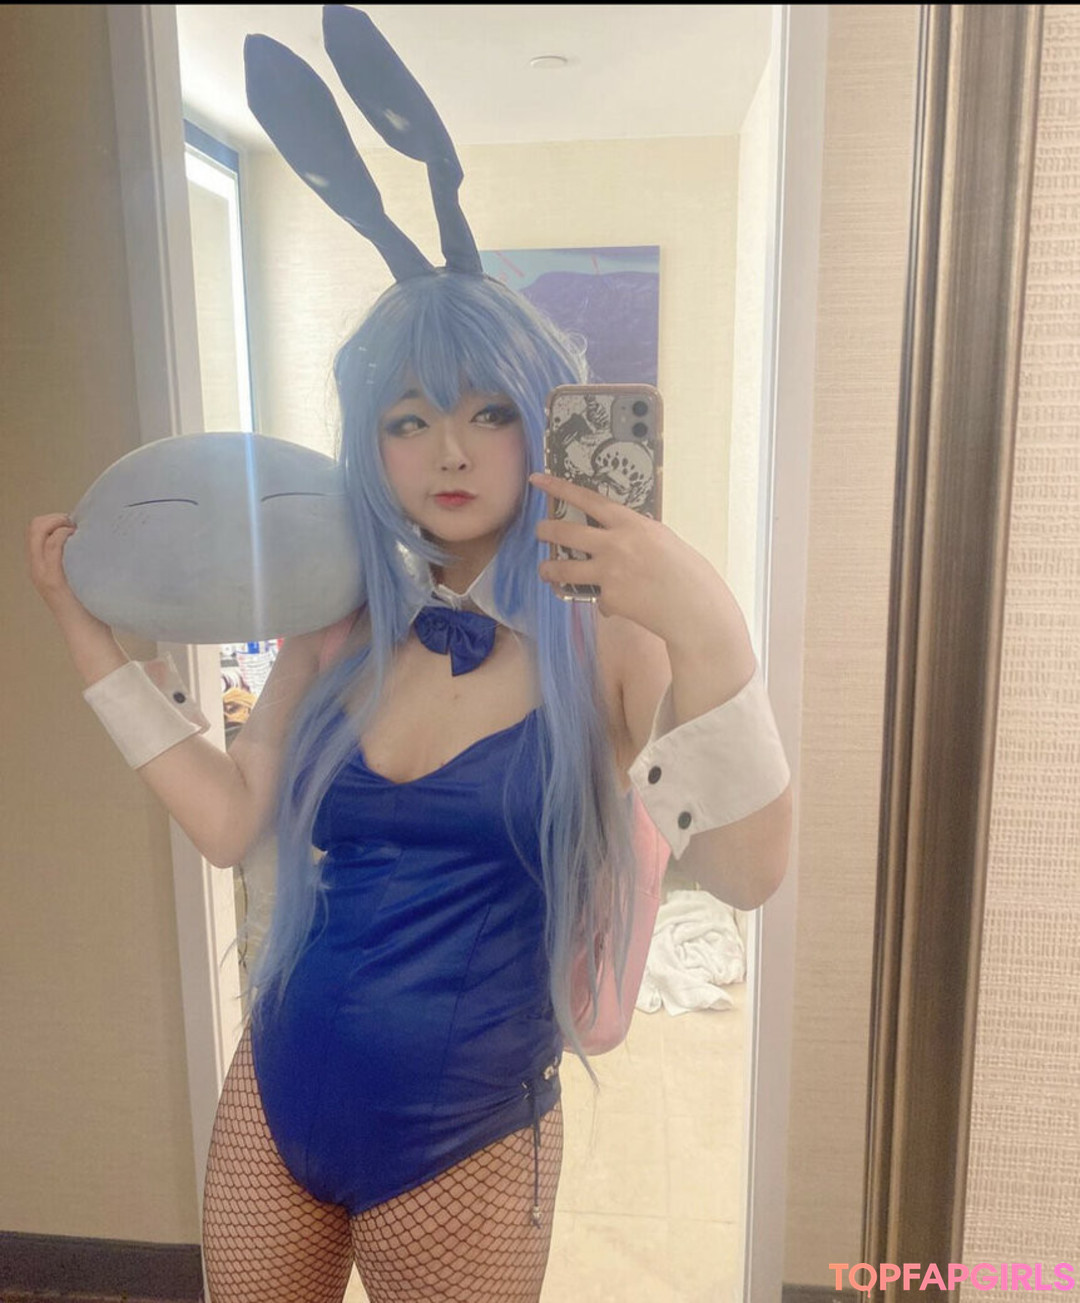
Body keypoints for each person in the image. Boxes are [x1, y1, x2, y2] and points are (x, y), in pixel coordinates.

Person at [26, 14, 792, 1302]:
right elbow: (229, 822)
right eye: (408, 418)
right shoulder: (339, 622)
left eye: (488, 411)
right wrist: (87, 636)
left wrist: (707, 621)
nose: (449, 450)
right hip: (276, 1089)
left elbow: (749, 873)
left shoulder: (612, 640)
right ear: (368, 445)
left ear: (541, 418)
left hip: (466, 1134)